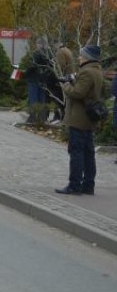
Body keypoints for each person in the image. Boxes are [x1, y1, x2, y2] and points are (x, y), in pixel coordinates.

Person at [55, 45, 103, 195]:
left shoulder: (87, 72)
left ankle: (74, 185)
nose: (79, 57)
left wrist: (66, 85)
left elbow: (78, 93)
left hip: (79, 118)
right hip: (89, 118)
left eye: (82, 55)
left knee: (76, 152)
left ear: (87, 57)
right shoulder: (97, 70)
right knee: (89, 153)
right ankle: (89, 185)